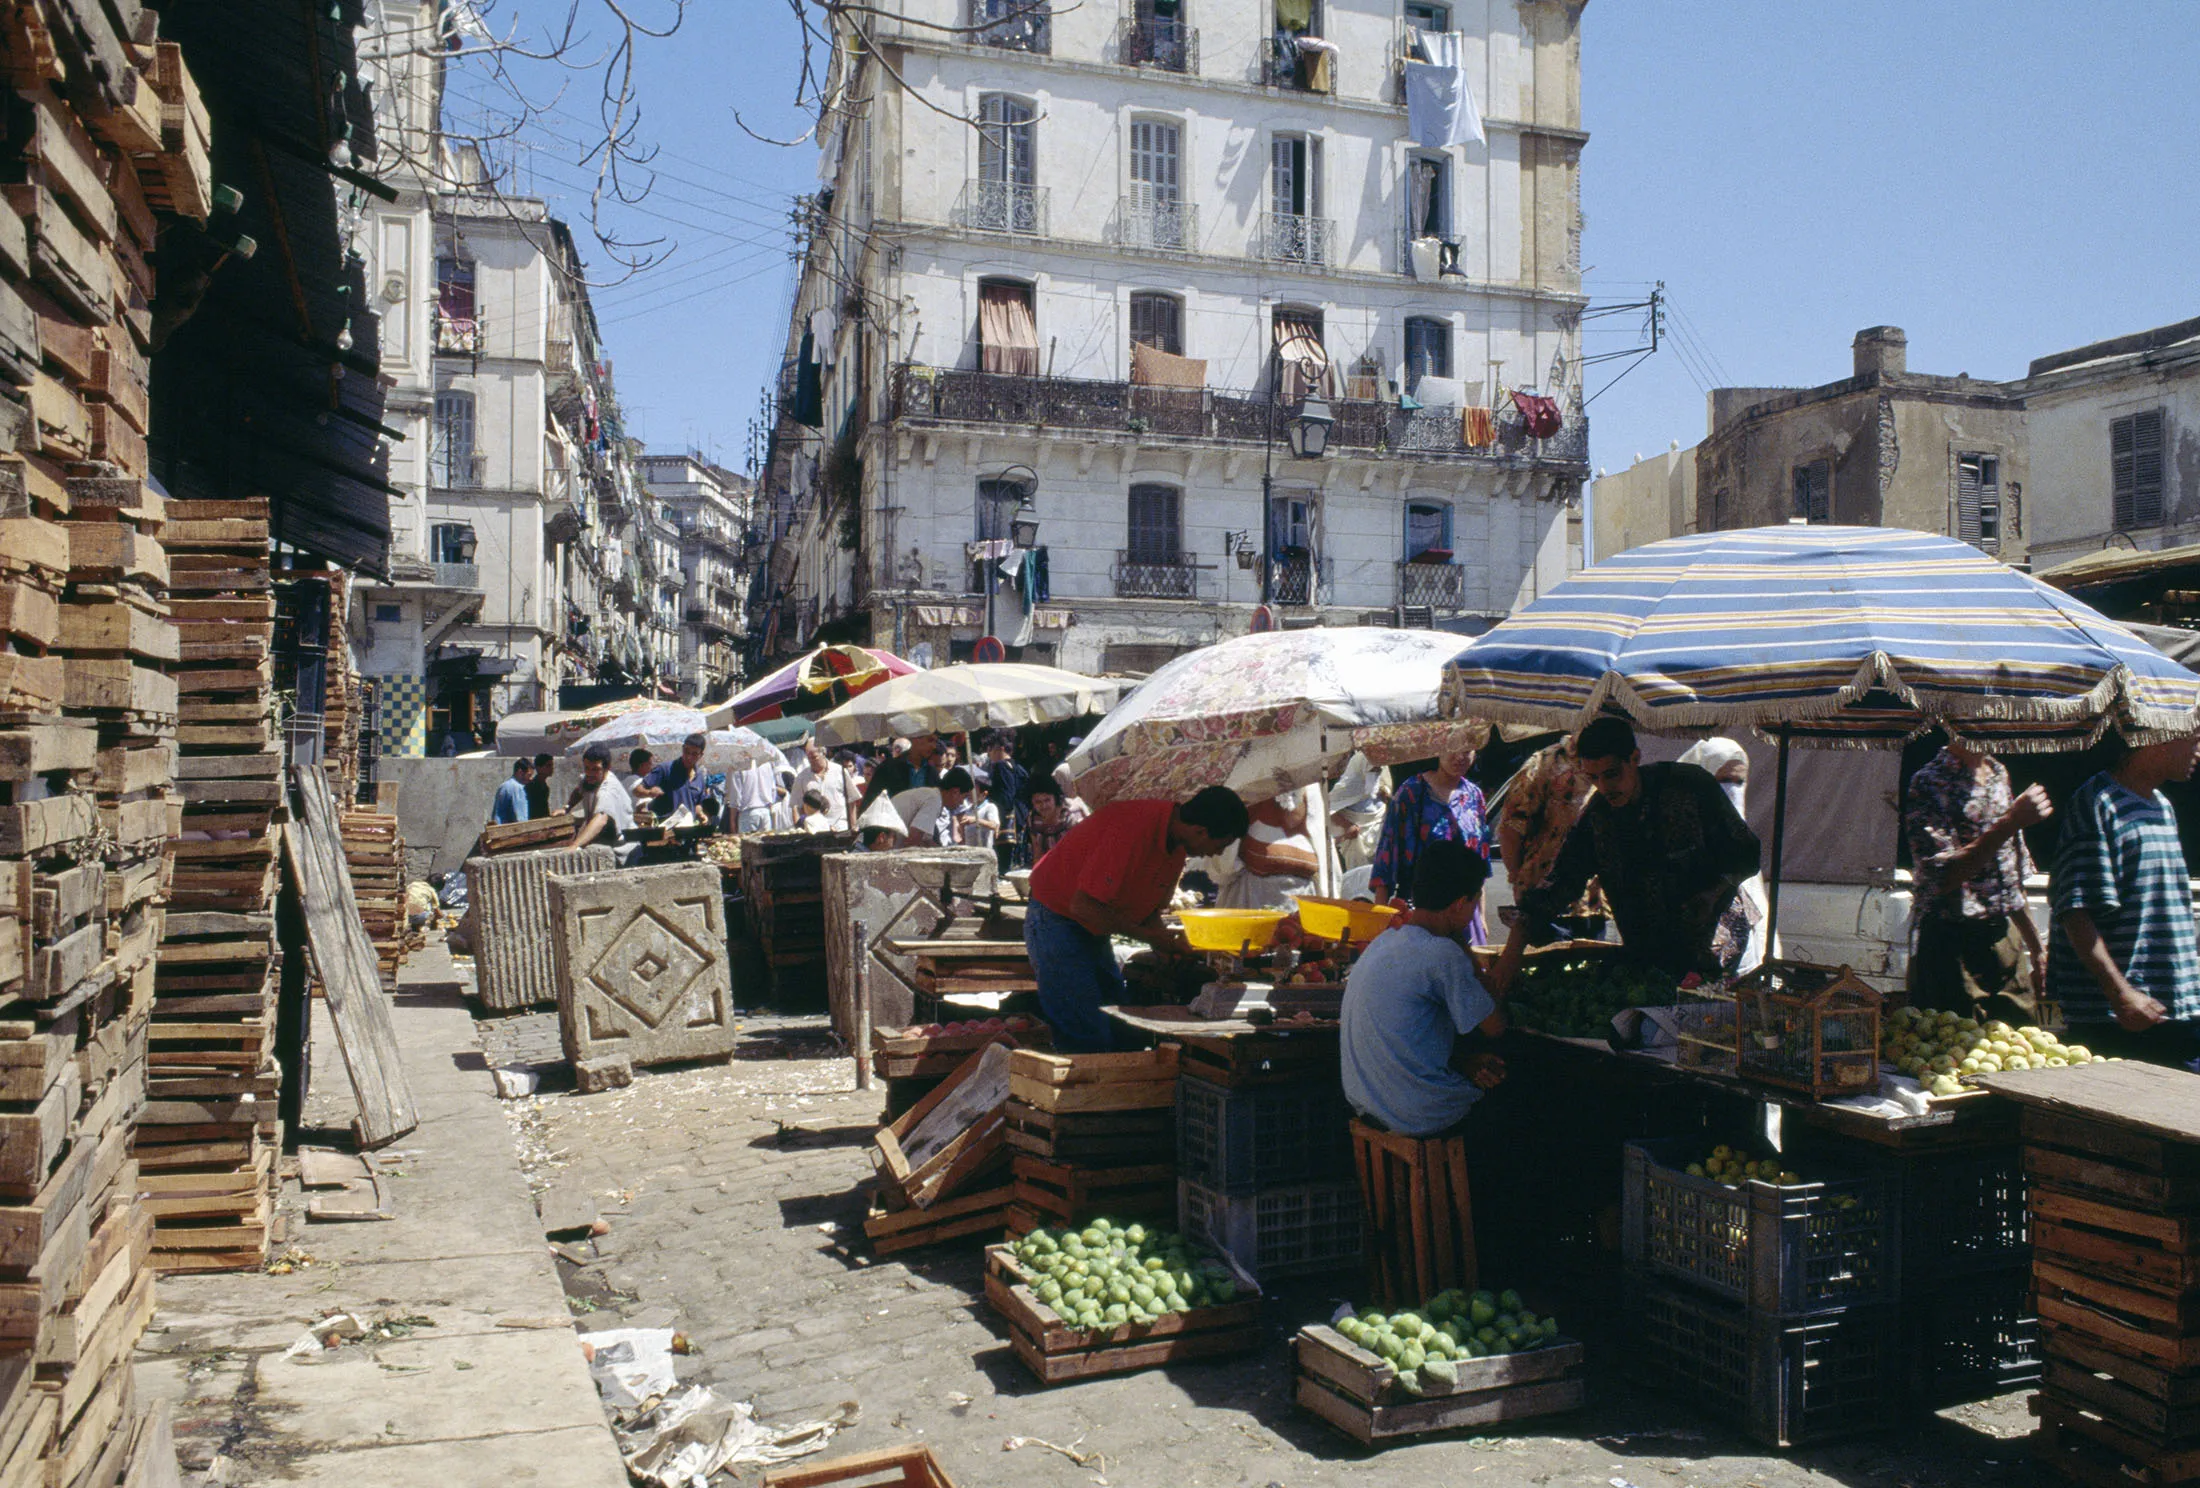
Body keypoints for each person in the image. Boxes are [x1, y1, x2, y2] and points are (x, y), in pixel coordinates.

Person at [1498, 717, 1762, 982]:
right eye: (1594, 777)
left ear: (1634, 758)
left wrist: (1710, 894)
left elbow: (1747, 853)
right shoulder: (1598, 817)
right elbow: (1566, 878)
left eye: (1612, 774)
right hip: (1648, 948)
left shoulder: (1688, 787)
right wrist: (1526, 919)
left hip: (1715, 939)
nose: (1604, 787)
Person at [1025, 786, 1251, 1052]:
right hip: (1057, 918)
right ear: (1200, 831)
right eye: (1219, 846)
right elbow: (1083, 906)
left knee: (1121, 1028)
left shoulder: (1177, 844)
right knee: (1088, 1035)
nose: (1215, 854)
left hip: (1091, 929)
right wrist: (1153, 938)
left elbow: (1150, 914)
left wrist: (1167, 947)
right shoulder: (1132, 829)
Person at [2048, 735, 2200, 1068]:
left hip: (2174, 1008)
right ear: (2159, 740)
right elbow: (2074, 910)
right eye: (2195, 740)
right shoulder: (2097, 803)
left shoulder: (2161, 805)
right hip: (2120, 1018)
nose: (2198, 751)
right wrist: (2120, 993)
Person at [1341, 840, 1508, 1137]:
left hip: (1369, 1103)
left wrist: (1463, 1062)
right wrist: (1516, 936)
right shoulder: (1442, 953)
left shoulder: (1387, 940)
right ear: (1459, 903)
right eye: (1473, 902)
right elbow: (1495, 1026)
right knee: (1516, 1097)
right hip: (1417, 1115)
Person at [1905, 735, 2052, 1026]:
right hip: (1950, 944)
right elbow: (1942, 876)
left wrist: (2037, 949)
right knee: (1953, 1048)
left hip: (2003, 938)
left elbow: (2011, 873)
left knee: (2019, 1041)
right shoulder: (1930, 781)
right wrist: (2010, 821)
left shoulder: (1998, 772)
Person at [1370, 745, 1493, 945]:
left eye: (1468, 750)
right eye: (1454, 748)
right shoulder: (1412, 792)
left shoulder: (1474, 796)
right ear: (1438, 748)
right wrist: (1379, 923)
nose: (1460, 757)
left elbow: (1481, 860)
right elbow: (1387, 856)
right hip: (1421, 915)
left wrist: (1481, 917)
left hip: (1465, 916)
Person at [1495, 734, 1607, 938]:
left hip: (1592, 902)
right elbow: (1511, 827)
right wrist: (1518, 877)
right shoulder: (1545, 763)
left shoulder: (1611, 763)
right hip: (1544, 897)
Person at [1678, 738, 1773, 976]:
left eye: (1738, 782)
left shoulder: (1742, 843)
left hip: (1743, 977)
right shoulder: (1676, 837)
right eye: (1722, 781)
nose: (1732, 790)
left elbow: (1759, 918)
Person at [1218, 789, 1320, 909]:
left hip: (1301, 897)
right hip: (1253, 894)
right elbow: (1224, 853)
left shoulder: (1312, 788)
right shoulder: (1254, 786)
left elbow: (1320, 837)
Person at [1327, 750, 1387, 873]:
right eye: (1372, 770)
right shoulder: (1347, 787)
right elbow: (1325, 808)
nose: (1374, 772)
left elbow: (1377, 797)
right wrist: (1346, 825)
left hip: (1379, 838)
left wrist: (1387, 798)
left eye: (1377, 770)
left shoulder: (1381, 787)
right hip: (1356, 841)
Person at [569, 744, 636, 854]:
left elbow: (601, 818)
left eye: (595, 769)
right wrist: (567, 807)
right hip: (604, 843)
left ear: (608, 767)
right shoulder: (590, 779)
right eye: (587, 768)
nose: (589, 773)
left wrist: (575, 846)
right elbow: (580, 789)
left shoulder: (607, 790)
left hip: (622, 849)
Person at [862, 733, 940, 807]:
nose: (934, 746)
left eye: (935, 742)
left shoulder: (932, 772)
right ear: (915, 739)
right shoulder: (889, 768)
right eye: (930, 740)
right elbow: (871, 801)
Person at [639, 733, 710, 813]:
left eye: (694, 754)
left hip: (689, 824)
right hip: (664, 824)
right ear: (682, 748)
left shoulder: (699, 777)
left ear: (701, 755)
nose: (689, 757)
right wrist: (649, 792)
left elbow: (698, 804)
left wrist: (701, 814)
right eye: (686, 751)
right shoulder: (665, 769)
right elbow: (638, 789)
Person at [1024, 780, 1086, 863]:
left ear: (1055, 798)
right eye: (1038, 802)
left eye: (1047, 800)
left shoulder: (1070, 814)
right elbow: (1037, 852)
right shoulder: (1033, 820)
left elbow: (1082, 848)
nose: (1044, 806)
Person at [730, 758, 780, 834]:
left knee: (748, 844)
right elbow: (773, 790)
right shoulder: (766, 764)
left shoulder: (738, 766)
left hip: (748, 813)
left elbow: (736, 796)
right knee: (766, 843)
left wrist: (732, 820)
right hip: (765, 811)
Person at [931, 767, 975, 845]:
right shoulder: (931, 802)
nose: (962, 803)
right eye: (963, 797)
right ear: (955, 792)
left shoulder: (938, 803)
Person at [964, 775, 1002, 853]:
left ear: (984, 794)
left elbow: (994, 825)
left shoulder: (990, 807)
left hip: (985, 854)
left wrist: (976, 820)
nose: (969, 793)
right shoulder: (968, 810)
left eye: (973, 791)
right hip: (970, 854)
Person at [491, 759, 532, 825]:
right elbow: (521, 819)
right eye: (529, 775)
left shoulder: (504, 786)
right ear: (520, 772)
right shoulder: (517, 788)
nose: (530, 779)